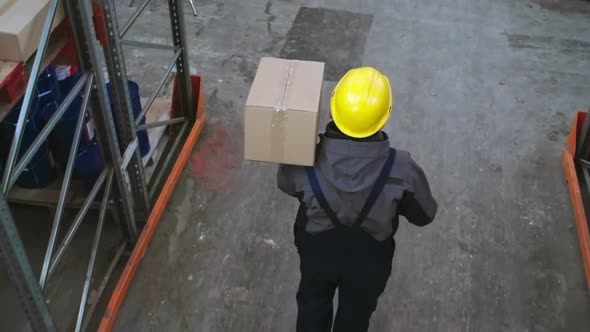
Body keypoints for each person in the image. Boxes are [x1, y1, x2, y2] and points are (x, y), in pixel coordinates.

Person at [277, 67, 438, 332]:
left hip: (317, 255)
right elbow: (424, 215)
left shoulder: (304, 159)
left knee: (312, 305)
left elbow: (285, 183)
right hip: (369, 263)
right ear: (384, 118)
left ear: (332, 110)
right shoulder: (402, 168)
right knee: (355, 316)